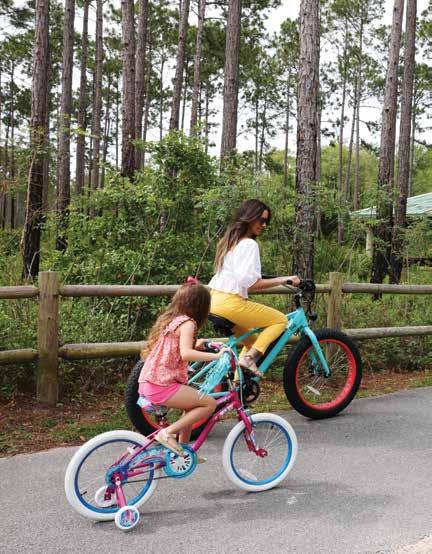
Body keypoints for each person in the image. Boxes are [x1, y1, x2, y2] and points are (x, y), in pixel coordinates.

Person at [208, 199, 300, 376]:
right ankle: (249, 359)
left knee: (252, 342)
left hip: (214, 302)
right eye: (261, 220)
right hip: (230, 303)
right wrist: (284, 279)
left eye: (266, 221)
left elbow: (243, 279)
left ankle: (238, 386)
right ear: (249, 217)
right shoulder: (249, 244)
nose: (264, 225)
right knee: (280, 320)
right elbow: (251, 284)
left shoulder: (231, 242)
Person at [138, 278, 228, 458]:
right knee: (209, 403)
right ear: (202, 306)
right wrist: (217, 356)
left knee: (192, 407)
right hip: (160, 385)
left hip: (150, 382)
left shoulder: (176, 321)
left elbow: (177, 346)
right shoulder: (189, 323)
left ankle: (183, 451)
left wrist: (198, 344)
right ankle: (168, 433)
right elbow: (186, 353)